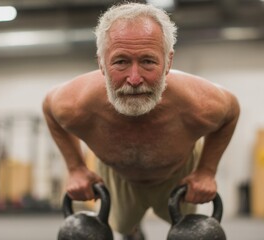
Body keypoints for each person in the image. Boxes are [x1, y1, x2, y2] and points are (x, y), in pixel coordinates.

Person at [43, 2, 240, 239]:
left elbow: (231, 112)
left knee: (189, 233)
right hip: (118, 175)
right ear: (101, 64)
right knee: (124, 229)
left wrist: (206, 171)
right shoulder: (75, 103)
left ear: (168, 63)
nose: (135, 79)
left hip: (178, 172)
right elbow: (49, 108)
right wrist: (76, 168)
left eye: (148, 61)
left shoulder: (199, 103)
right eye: (121, 62)